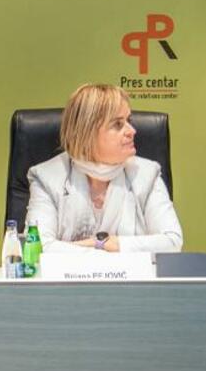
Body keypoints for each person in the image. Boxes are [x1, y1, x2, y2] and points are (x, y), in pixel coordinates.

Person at [25, 83, 182, 253]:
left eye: (129, 121)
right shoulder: (47, 177)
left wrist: (108, 244)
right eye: (118, 124)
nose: (132, 131)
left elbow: (172, 242)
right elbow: (37, 247)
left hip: (131, 272)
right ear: (87, 132)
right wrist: (102, 246)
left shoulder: (147, 174)